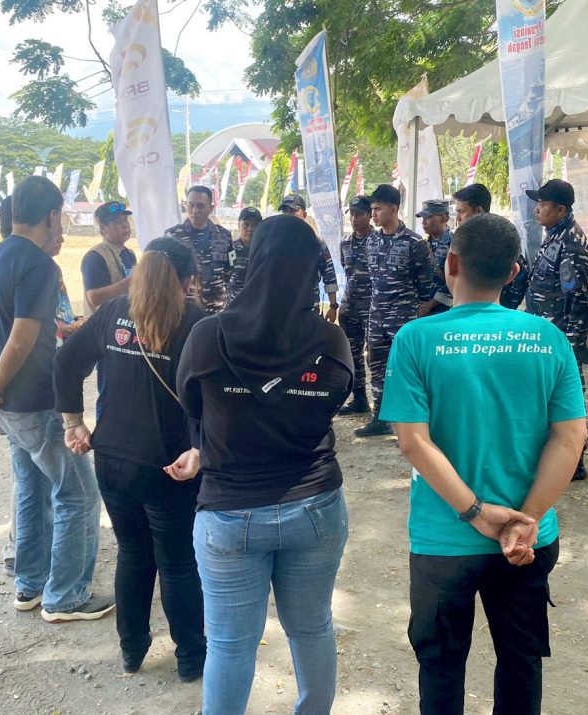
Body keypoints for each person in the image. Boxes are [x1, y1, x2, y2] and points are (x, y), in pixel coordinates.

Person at [381, 212, 588, 715]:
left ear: (450, 264)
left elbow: (413, 442)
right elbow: (571, 436)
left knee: (441, 666)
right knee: (521, 662)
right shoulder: (548, 337)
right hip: (527, 539)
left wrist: (476, 513)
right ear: (514, 273)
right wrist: (526, 519)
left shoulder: (415, 338)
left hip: (444, 538)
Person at [177, 214, 353, 715]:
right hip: (314, 505)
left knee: (229, 645)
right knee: (312, 627)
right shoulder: (331, 341)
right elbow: (334, 400)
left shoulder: (209, 335)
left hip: (229, 512)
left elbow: (192, 406)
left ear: (253, 263)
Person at [0, 176, 113, 622]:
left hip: (7, 408)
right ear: (51, 215)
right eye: (60, 215)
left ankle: (29, 583)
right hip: (34, 402)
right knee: (79, 495)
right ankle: (65, 596)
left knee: (32, 488)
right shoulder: (39, 265)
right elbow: (22, 337)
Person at [54, 238, 207, 680]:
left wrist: (73, 422)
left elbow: (66, 363)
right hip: (171, 466)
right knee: (178, 562)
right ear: (188, 280)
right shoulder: (197, 322)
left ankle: (132, 650)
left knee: (133, 554)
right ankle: (190, 658)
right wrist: (202, 448)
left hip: (112, 459)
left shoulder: (112, 312)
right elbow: (215, 396)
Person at [525, 179, 588, 481]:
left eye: (543, 204)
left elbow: (577, 298)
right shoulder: (555, 236)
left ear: (561, 209)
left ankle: (574, 462)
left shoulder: (571, 244)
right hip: (546, 331)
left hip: (561, 336)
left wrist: (571, 344)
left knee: (566, 399)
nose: (537, 209)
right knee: (547, 396)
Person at [357, 183, 434, 437]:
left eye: (378, 209)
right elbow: (371, 278)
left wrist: (413, 308)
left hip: (403, 317)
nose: (373, 214)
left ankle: (409, 424)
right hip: (376, 316)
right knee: (376, 365)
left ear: (393, 208)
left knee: (405, 369)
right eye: (372, 209)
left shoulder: (414, 243)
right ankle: (380, 418)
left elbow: (426, 283)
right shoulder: (372, 240)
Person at [452, 182, 528, 309]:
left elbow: (520, 274)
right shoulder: (463, 240)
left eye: (461, 212)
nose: (457, 218)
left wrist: (505, 306)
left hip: (495, 309)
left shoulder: (501, 235)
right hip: (466, 309)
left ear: (478, 210)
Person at [164, 185, 233, 312]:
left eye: (200, 206)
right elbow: (166, 272)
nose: (195, 210)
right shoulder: (172, 236)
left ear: (211, 208)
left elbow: (229, 272)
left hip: (215, 308)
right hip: (183, 308)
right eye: (191, 205)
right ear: (185, 205)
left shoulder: (224, 236)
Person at [337, 195, 375, 415]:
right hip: (350, 306)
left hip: (373, 307)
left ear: (369, 215)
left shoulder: (378, 240)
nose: (354, 218)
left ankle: (381, 404)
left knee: (375, 356)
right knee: (352, 355)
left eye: (359, 214)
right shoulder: (345, 242)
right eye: (351, 214)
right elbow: (347, 270)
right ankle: (359, 398)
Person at [279, 193, 339, 320]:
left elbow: (329, 276)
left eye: (293, 211)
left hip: (309, 310)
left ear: (304, 215)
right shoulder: (275, 243)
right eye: (285, 211)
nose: (288, 215)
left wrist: (333, 306)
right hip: (281, 310)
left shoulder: (317, 244)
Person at [81, 201, 137, 317]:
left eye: (125, 220)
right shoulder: (95, 256)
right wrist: (131, 280)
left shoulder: (130, 254)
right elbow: (94, 298)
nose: (125, 225)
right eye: (117, 222)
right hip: (102, 325)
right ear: (103, 228)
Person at [415, 198, 453, 316]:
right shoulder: (424, 244)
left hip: (443, 311)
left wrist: (429, 306)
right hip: (422, 308)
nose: (423, 222)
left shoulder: (454, 244)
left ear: (443, 218)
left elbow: (454, 282)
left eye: (428, 217)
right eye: (422, 218)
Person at [227, 207, 261, 302]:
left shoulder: (265, 250)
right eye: (246, 224)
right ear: (239, 225)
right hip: (234, 303)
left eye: (255, 225)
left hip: (256, 303)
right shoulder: (230, 249)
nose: (250, 229)